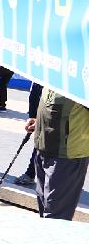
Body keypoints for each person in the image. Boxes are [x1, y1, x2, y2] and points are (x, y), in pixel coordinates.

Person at [29, 86, 89, 220]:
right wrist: (39, 122)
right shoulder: (52, 75)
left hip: (67, 157)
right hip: (43, 151)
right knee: (44, 211)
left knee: (55, 218)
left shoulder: (82, 80)